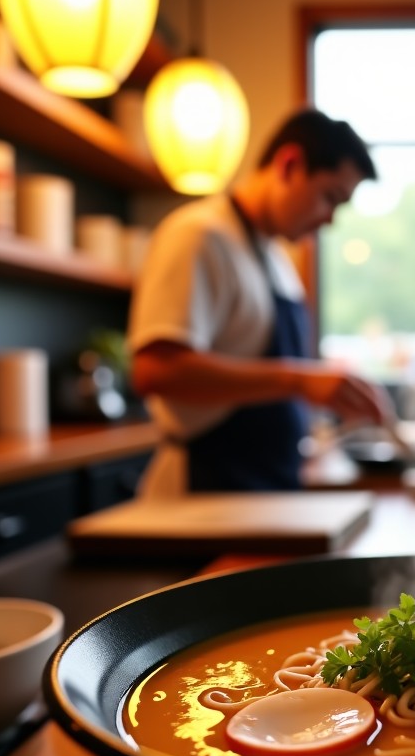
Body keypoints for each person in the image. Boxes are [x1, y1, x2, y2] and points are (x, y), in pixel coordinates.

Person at [127, 107, 396, 497]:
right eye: (329, 198)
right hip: (206, 491)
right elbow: (155, 371)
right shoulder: (199, 235)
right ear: (289, 164)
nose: (329, 221)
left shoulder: (276, 258)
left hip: (264, 488)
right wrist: (300, 381)